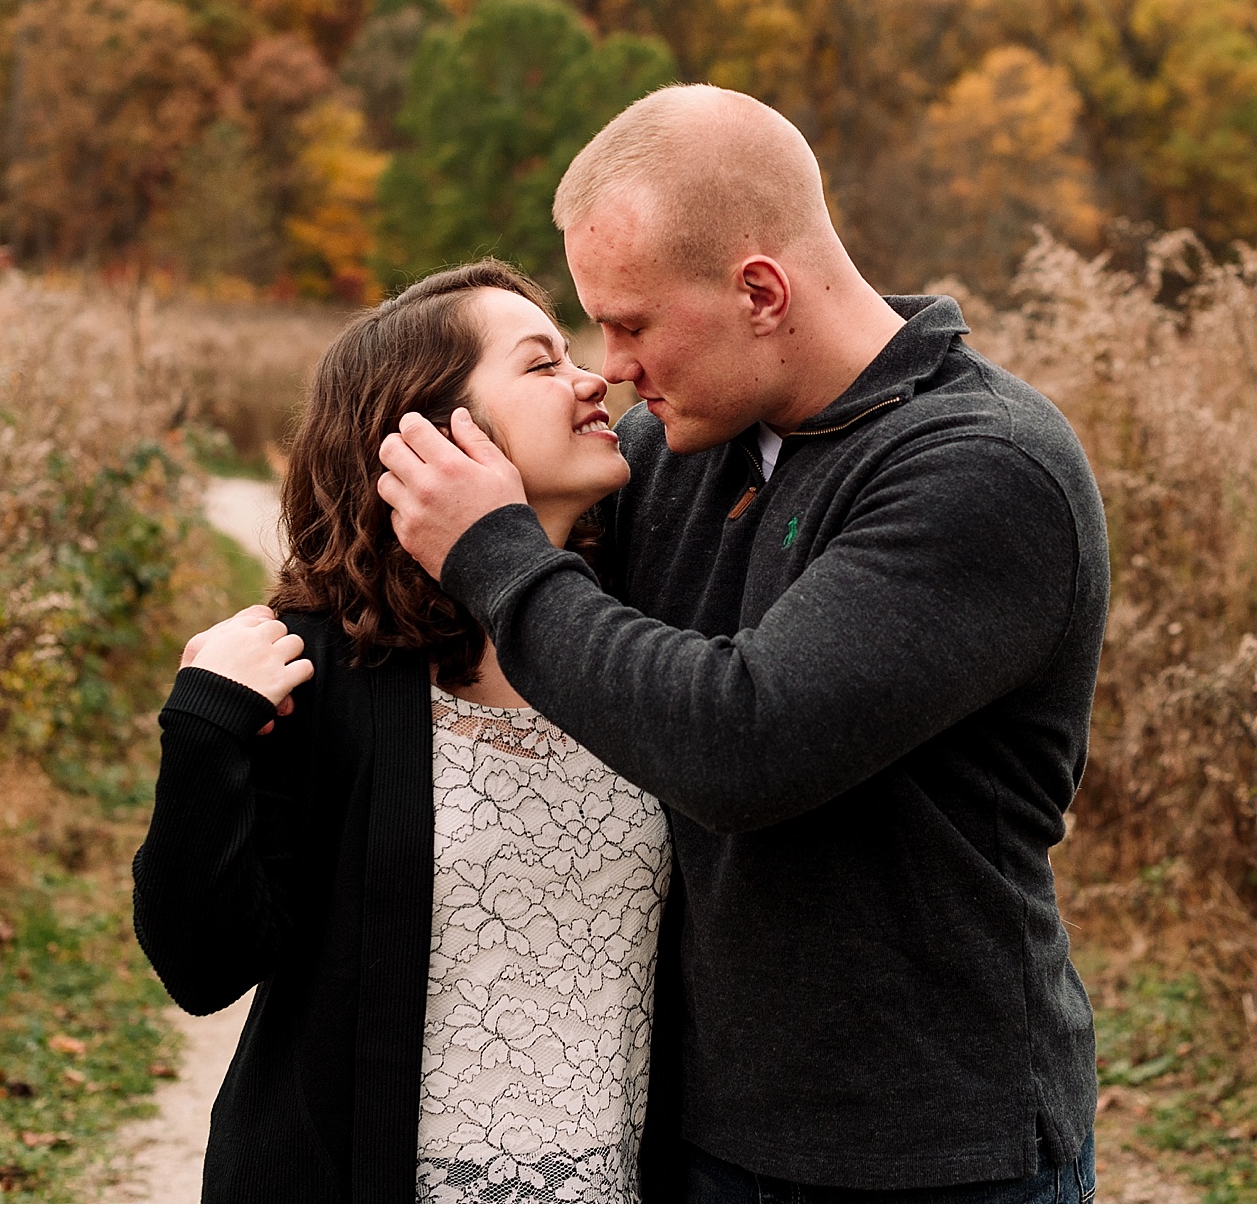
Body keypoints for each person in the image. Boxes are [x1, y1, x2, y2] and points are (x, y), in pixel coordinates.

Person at [377, 84, 1112, 1202]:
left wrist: (494, 551)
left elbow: (742, 741)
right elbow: (503, 595)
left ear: (758, 291)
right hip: (688, 1130)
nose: (610, 364)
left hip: (919, 1157)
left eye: (630, 323)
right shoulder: (674, 442)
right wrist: (282, 650)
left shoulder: (982, 467)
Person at [133, 261, 672, 1203]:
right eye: (542, 365)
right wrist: (205, 728)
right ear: (431, 432)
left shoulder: (639, 643)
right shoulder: (319, 667)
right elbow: (202, 966)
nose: (597, 380)